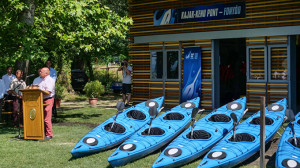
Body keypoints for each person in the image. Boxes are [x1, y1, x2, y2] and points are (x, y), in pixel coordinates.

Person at [33, 67, 55, 140]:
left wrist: (39, 90)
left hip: (48, 100)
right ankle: (41, 133)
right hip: (38, 100)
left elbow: (48, 92)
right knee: (39, 117)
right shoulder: (38, 79)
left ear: (46, 73)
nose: (40, 72)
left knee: (47, 118)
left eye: (41, 72)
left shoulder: (50, 80)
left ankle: (49, 135)